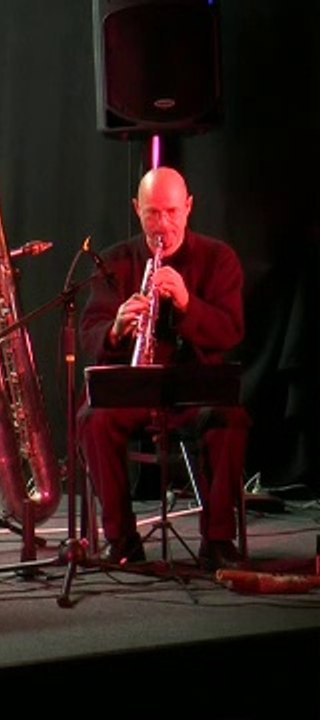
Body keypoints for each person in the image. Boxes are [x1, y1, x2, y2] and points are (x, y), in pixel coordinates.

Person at [78, 165, 250, 571]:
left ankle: (218, 540)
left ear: (189, 207)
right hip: (135, 390)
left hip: (195, 391)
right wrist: (117, 327)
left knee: (231, 420)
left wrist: (189, 304)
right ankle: (121, 539)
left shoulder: (218, 258)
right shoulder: (115, 262)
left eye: (172, 212)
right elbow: (89, 333)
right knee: (93, 419)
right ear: (137, 209)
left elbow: (231, 331)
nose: (163, 225)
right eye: (153, 213)